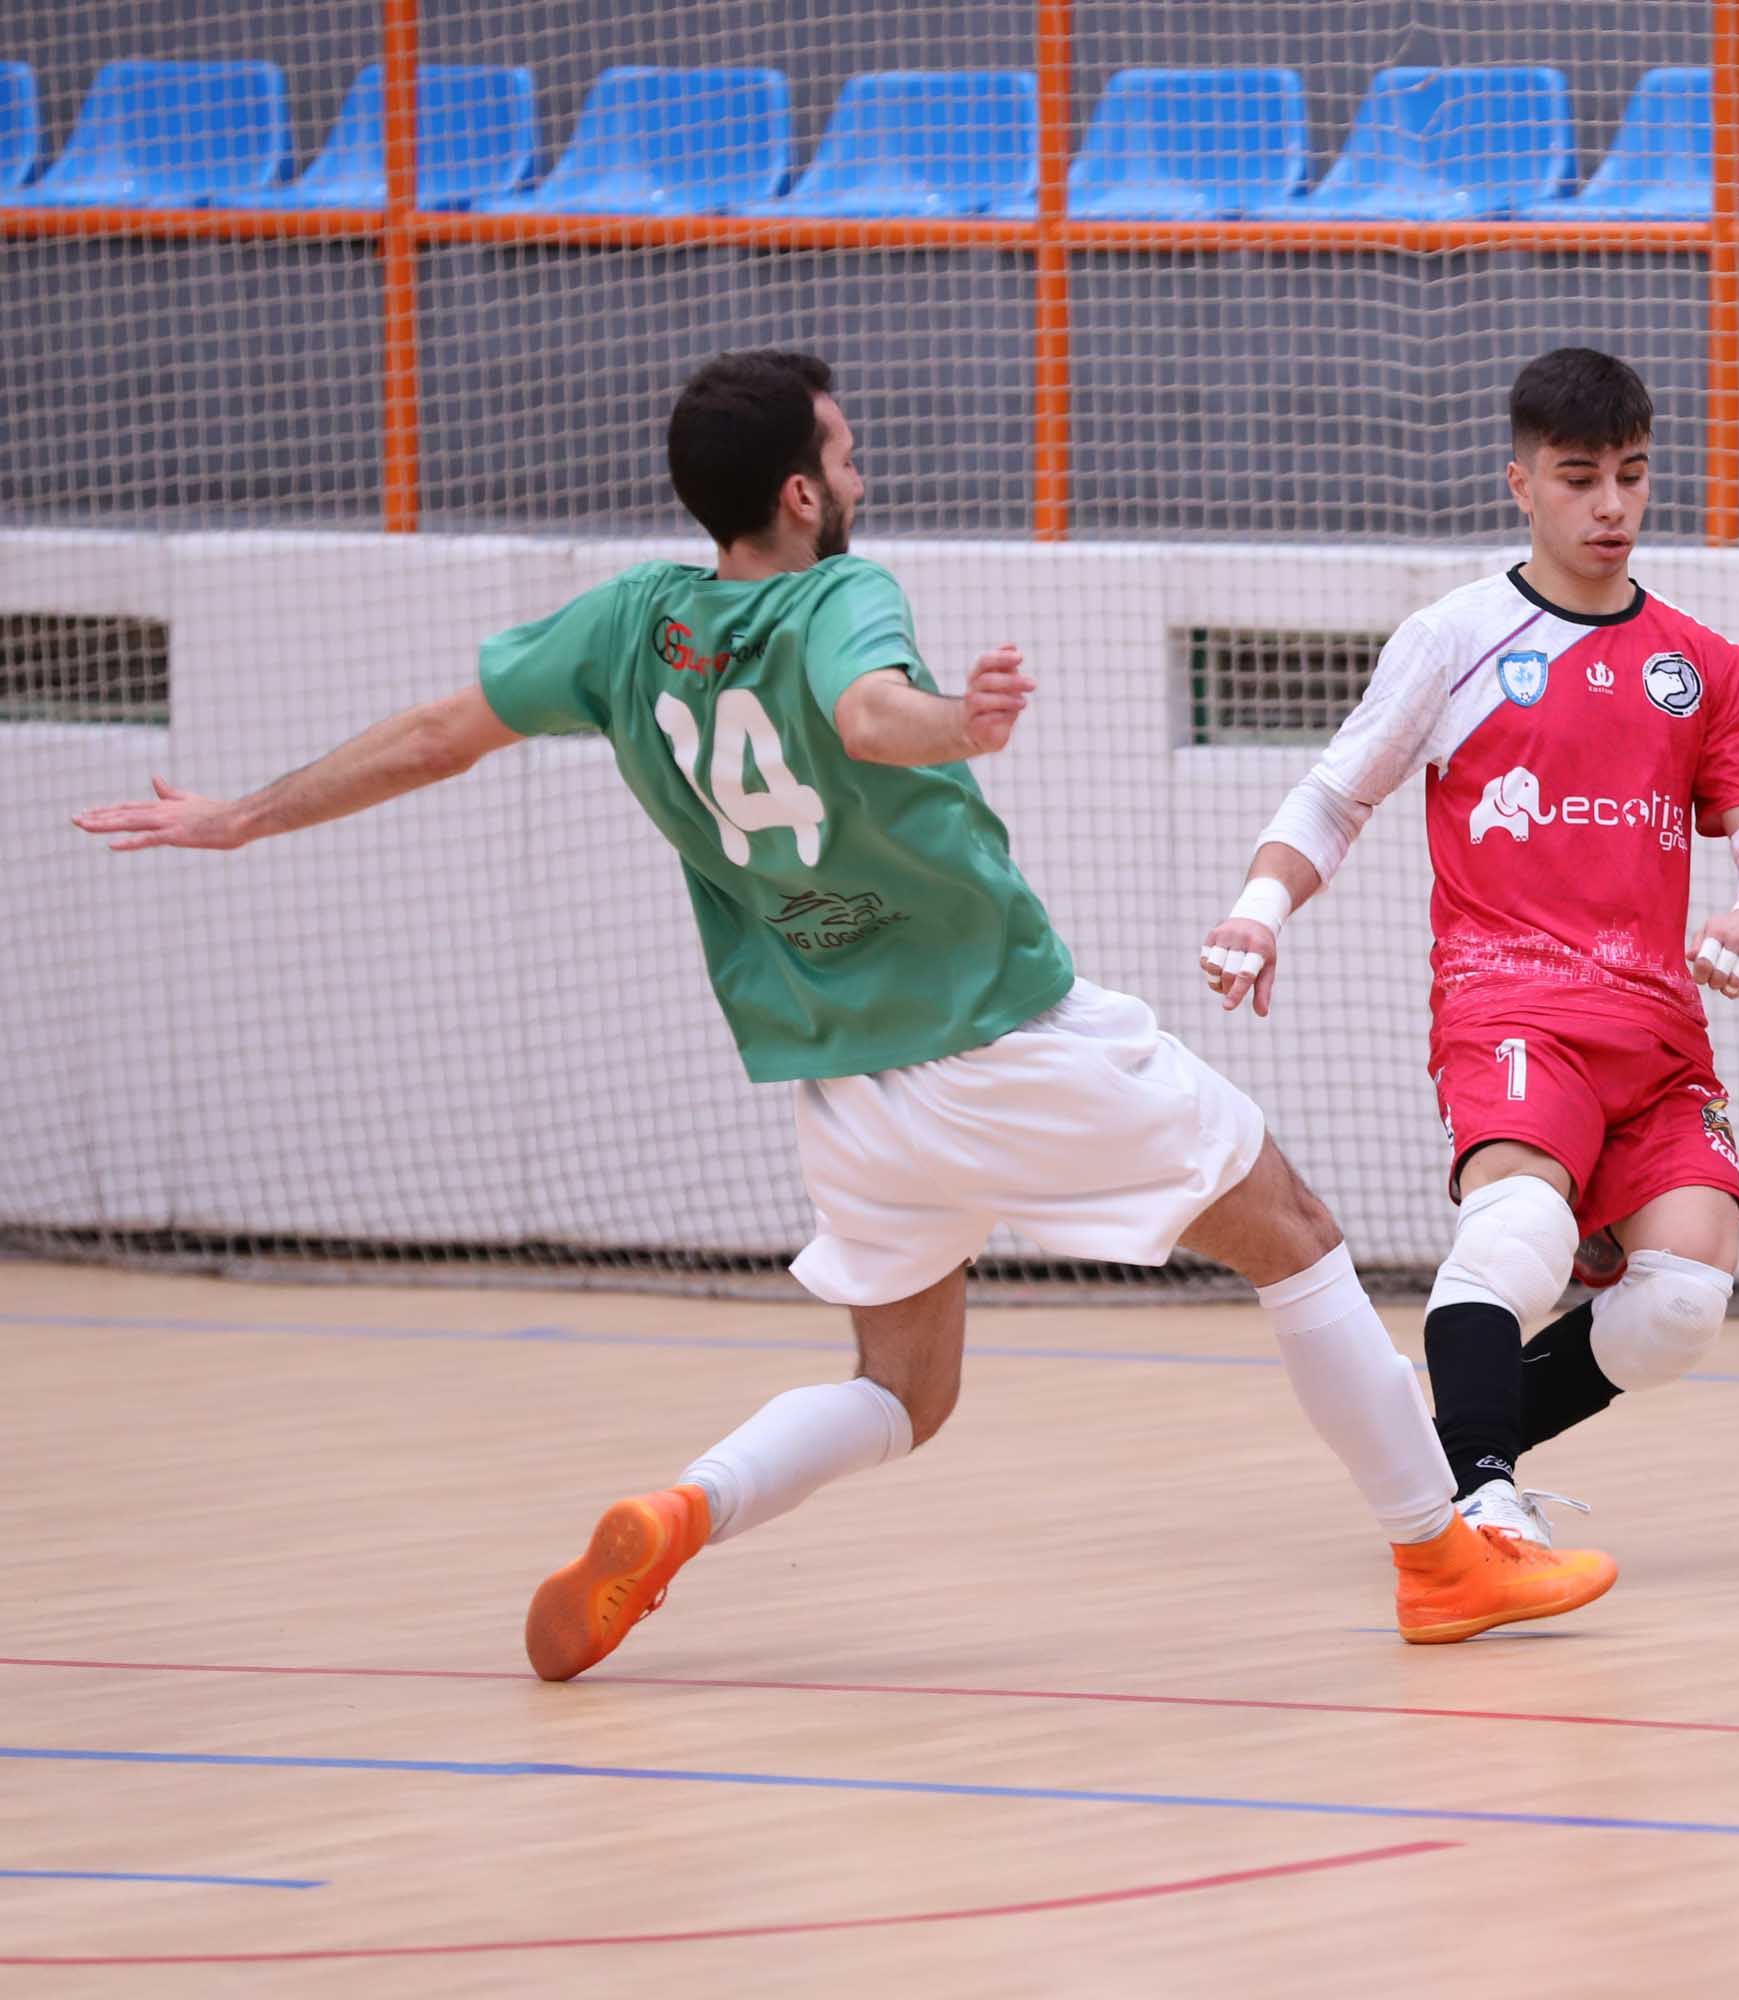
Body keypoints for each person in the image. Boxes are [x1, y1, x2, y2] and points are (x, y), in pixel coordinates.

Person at [73, 347, 1615, 1672]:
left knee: (902, 1388)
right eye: (849, 451)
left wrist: (239, 819)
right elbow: (872, 712)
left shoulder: (623, 627)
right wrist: (965, 722)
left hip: (846, 1087)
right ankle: (1440, 1553)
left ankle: (682, 1514)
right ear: (803, 495)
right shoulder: (839, 599)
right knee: (1293, 1232)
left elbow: (430, 734)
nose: (859, 473)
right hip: (1003, 1033)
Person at [1199, 347, 1739, 1544]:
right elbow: (1334, 796)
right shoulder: (1455, 638)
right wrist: (1257, 910)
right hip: (1511, 1005)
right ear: (1520, 483)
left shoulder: (1701, 663)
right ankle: (1481, 1504)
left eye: (1633, 476)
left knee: (1682, 1303)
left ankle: (1447, 1450)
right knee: (1518, 1235)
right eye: (1580, 477)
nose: (1612, 507)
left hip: (1657, 1032)